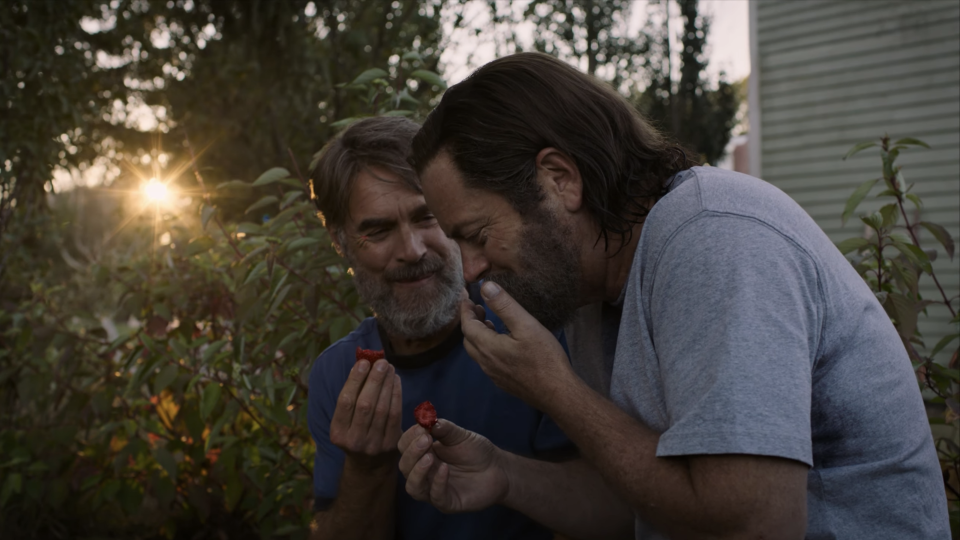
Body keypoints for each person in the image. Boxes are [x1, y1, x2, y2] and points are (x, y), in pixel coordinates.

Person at [395, 53, 951, 539]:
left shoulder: (714, 233)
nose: (470, 270)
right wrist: (504, 475)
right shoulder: (590, 290)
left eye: (477, 234)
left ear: (559, 179)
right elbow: (644, 501)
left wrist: (555, 388)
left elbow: (757, 524)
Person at [305, 115, 575, 540]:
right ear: (341, 243)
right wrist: (367, 467)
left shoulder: (531, 334)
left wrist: (504, 475)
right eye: (378, 231)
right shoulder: (338, 376)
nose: (411, 251)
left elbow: (605, 508)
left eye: (426, 217)